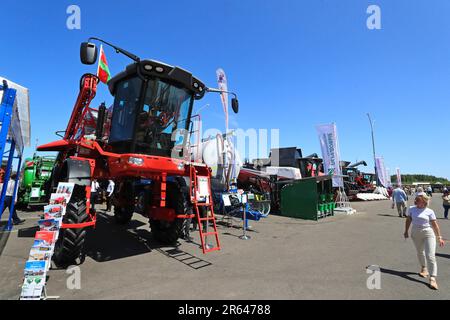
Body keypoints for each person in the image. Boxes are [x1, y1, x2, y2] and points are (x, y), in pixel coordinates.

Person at [404, 194, 445, 290]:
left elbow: (435, 225)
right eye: (417, 200)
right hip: (415, 233)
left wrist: (439, 237)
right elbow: (408, 220)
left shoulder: (430, 211)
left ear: (425, 201)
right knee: (420, 252)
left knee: (430, 255)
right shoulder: (411, 209)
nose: (418, 202)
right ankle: (424, 268)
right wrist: (406, 231)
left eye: (420, 201)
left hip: (428, 233)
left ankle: (432, 278)